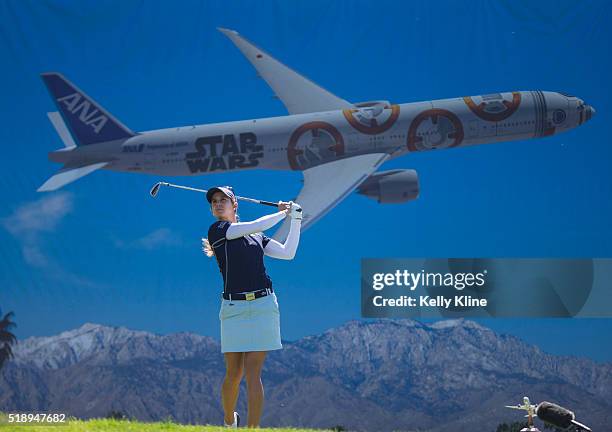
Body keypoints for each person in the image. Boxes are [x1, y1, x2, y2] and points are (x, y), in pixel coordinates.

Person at [202, 186, 302, 428]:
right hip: (234, 307)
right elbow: (256, 225)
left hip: (264, 305)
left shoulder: (257, 236)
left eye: (223, 200)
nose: (217, 204)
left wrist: (296, 219)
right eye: (214, 201)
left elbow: (288, 253)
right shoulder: (218, 230)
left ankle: (253, 429)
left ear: (235, 204)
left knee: (253, 373)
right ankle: (229, 421)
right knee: (234, 374)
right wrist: (282, 213)